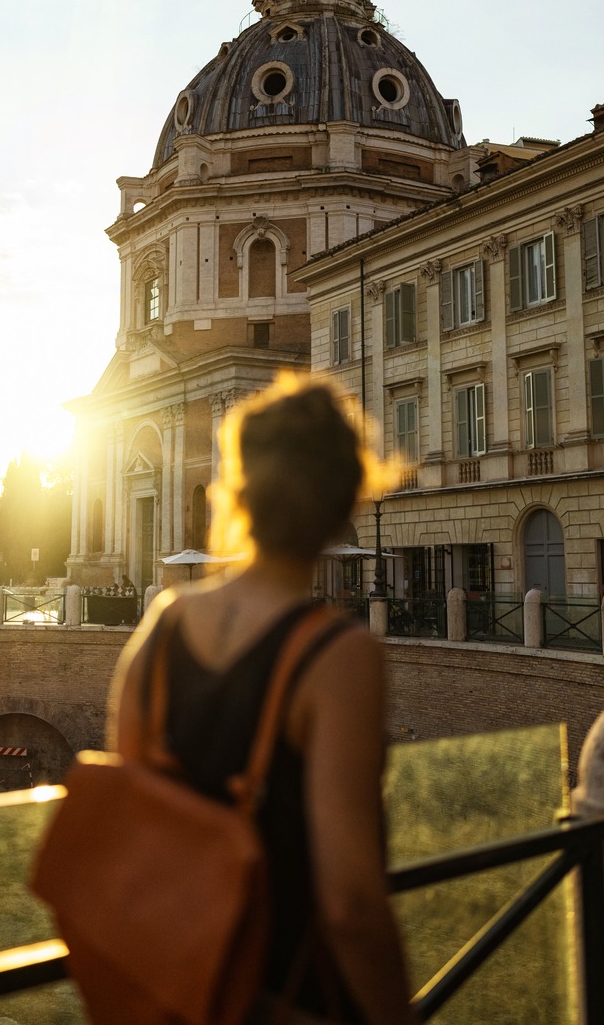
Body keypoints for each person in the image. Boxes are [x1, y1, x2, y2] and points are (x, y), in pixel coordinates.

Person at [107, 374, 415, 1025]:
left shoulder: (162, 624)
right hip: (287, 998)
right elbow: (352, 906)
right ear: (346, 499)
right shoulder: (341, 657)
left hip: (175, 991)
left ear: (235, 492)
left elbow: (126, 822)